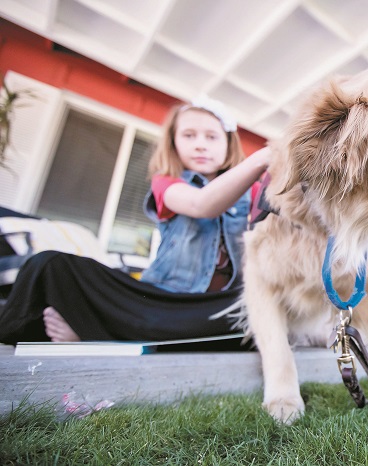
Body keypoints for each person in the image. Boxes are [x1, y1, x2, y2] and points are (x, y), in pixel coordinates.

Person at [0, 96, 270, 345]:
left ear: (228, 145)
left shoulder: (254, 192)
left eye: (212, 137)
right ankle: (97, 329)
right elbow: (201, 205)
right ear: (174, 144)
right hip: (162, 299)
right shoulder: (166, 183)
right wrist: (260, 159)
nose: (200, 144)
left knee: (256, 308)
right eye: (189, 135)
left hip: (216, 307)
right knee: (50, 264)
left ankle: (97, 332)